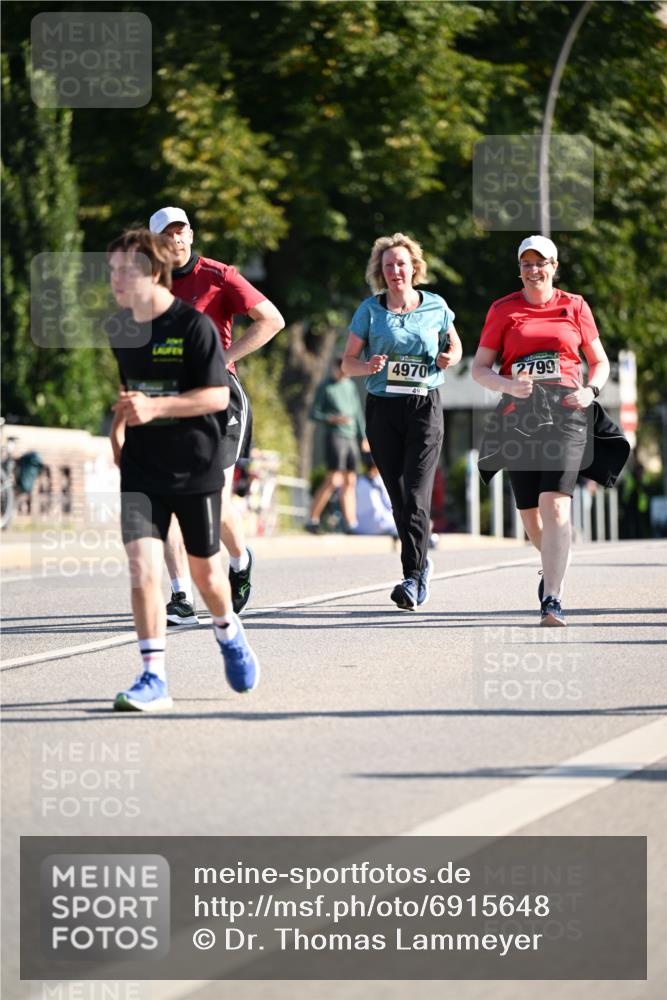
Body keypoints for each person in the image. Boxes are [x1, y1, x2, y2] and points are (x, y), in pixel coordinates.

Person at [107, 228, 260, 711]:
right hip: (142, 466)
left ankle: (229, 632)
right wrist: (117, 428)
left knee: (208, 578)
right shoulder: (120, 329)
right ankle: (153, 677)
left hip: (195, 464)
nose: (114, 280)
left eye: (124, 271)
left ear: (153, 272)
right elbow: (132, 389)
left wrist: (158, 408)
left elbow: (215, 396)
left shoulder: (194, 327)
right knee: (142, 571)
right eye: (111, 271)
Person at [113, 206, 284, 626]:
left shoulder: (218, 275)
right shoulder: (148, 287)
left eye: (182, 231)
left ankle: (240, 559)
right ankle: (181, 596)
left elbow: (272, 320)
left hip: (220, 399)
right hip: (167, 401)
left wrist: (221, 359)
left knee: (215, 497)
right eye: (167, 234)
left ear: (191, 234)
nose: (176, 239)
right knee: (164, 495)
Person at [472, 234, 628, 626]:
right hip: (520, 417)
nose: (533, 270)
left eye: (540, 262)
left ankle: (553, 598)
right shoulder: (503, 309)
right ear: (519, 269)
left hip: (568, 412)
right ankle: (552, 562)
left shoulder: (575, 306)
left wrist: (591, 391)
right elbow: (480, 369)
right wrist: (508, 385)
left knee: (555, 502)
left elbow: (600, 362)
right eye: (526, 263)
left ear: (554, 267)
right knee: (530, 515)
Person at [342, 233, 462, 609]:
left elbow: (455, 346)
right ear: (380, 271)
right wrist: (367, 366)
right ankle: (421, 564)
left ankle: (413, 577)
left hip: (424, 406)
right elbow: (347, 363)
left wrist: (449, 357)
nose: (395, 271)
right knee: (398, 497)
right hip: (382, 408)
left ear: (414, 269)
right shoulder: (369, 310)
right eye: (389, 265)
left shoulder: (436, 305)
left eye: (401, 264)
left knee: (415, 493)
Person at [305, 357, 368, 534]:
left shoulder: (350, 386)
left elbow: (357, 413)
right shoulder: (325, 387)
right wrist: (332, 419)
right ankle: (312, 519)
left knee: (350, 480)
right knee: (333, 479)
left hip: (350, 437)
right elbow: (314, 413)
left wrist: (363, 437)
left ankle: (351, 523)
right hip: (335, 435)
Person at [355, 453, 398, 537]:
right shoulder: (380, 481)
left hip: (360, 527)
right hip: (382, 524)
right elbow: (389, 505)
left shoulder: (358, 481)